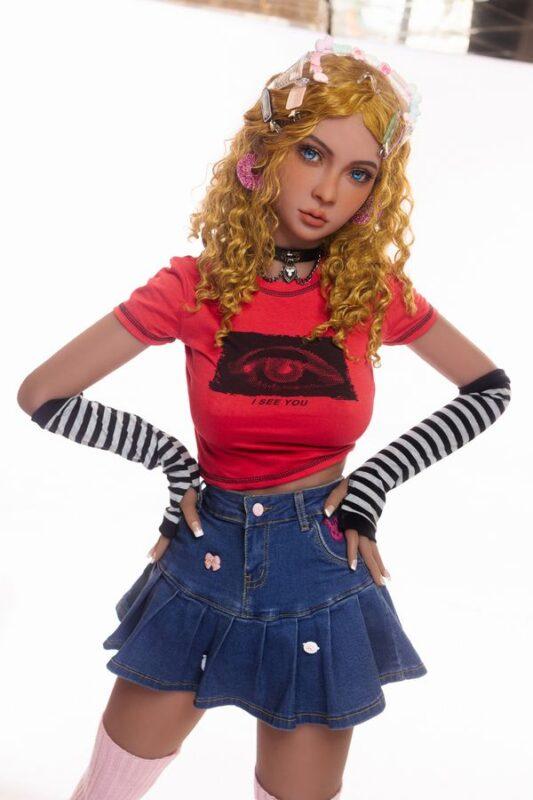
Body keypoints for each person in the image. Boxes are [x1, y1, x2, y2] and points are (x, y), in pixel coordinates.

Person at [17, 34, 511, 800]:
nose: (328, 191)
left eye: (358, 173)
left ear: (375, 191)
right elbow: (44, 393)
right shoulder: (195, 287)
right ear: (266, 150)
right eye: (312, 153)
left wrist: (375, 481)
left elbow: (487, 388)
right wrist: (173, 463)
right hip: (203, 559)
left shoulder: (370, 293)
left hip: (320, 568)